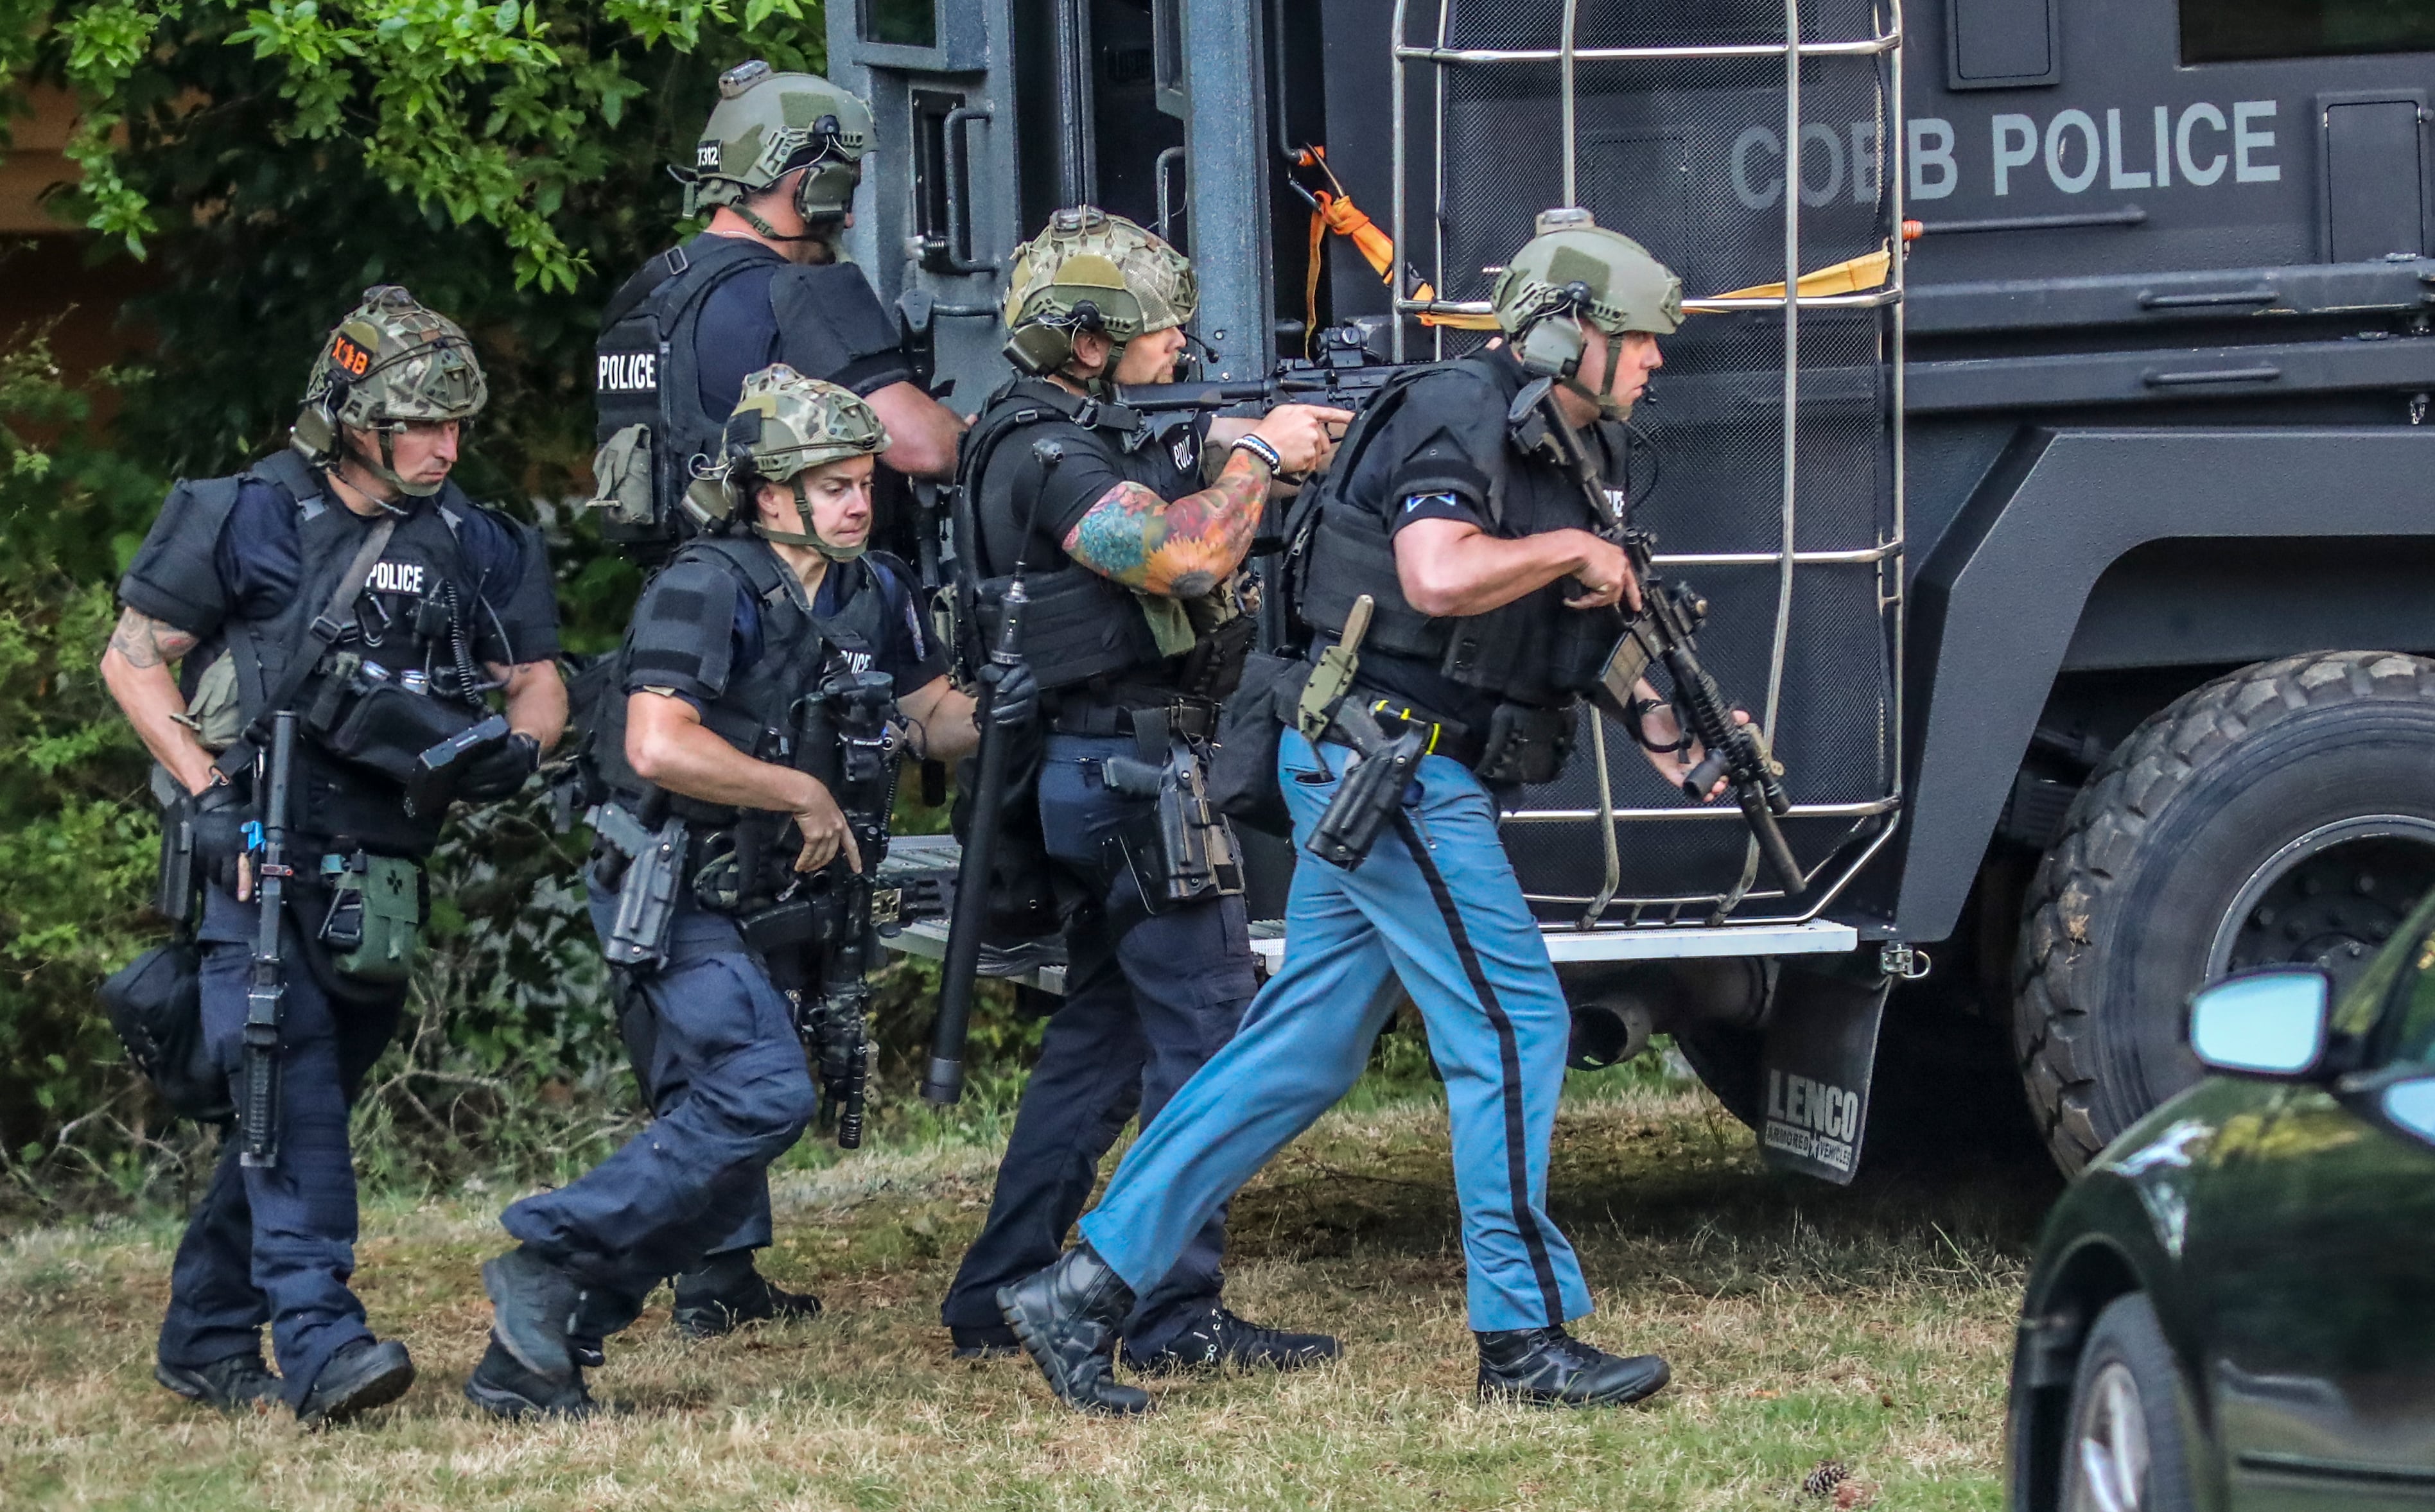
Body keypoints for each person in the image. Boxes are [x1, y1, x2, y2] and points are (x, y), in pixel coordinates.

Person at [998, 210, 1743, 1414]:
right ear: (1569, 337)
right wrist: (1565, 553)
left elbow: (1559, 637)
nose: (1659, 361)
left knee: (1300, 1053)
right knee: (1514, 1028)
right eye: (1643, 338)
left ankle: (1079, 1290)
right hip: (1387, 762)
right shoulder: (1454, 411)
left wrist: (1675, 736)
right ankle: (1524, 1338)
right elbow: (1437, 574)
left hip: (1391, 762)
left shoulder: (1562, 445)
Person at [470, 367, 1034, 1418]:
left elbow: (928, 719)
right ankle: (547, 1255)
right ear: (772, 496)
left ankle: (540, 1345)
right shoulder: (707, 583)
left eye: (866, 483)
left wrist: (1006, 702)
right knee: (760, 1096)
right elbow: (658, 740)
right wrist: (801, 792)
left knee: (727, 1138)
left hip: (779, 896)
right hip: (677, 882)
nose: (861, 503)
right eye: (834, 487)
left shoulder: (875, 590)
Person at [104, 286, 565, 1425]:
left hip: (387, 872)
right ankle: (321, 1344)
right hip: (256, 856)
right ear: (349, 417)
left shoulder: (480, 538)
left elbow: (542, 679)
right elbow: (132, 659)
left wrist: (518, 749)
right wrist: (208, 795)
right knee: (289, 1087)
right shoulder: (242, 512)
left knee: (301, 1104)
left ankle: (207, 1336)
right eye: (417, 424)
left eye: (456, 426)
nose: (443, 447)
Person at [935, 206, 1348, 1393]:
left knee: (1102, 1041)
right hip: (1125, 776)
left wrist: (1229, 439)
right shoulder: (1048, 453)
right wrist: (1257, 456)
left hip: (1087, 771)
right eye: (1162, 331)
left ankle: (994, 1290)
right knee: (1210, 1033)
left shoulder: (1048, 429)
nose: (1181, 347)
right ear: (1085, 342)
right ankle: (1169, 1310)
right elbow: (1183, 561)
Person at [591, 60, 961, 563]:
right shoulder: (797, 291)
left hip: (683, 606)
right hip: (800, 616)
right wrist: (988, 442)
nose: (849, 217)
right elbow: (923, 447)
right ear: (815, 185)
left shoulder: (647, 297)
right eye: (846, 189)